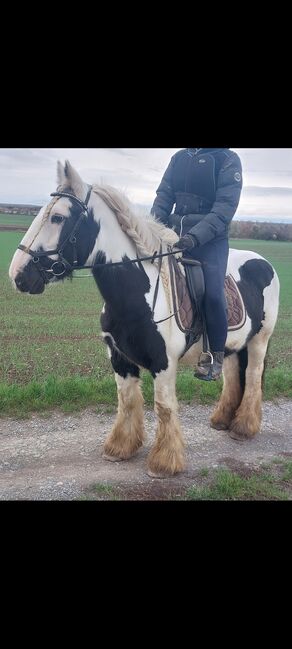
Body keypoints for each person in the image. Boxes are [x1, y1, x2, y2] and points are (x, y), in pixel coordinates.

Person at [151, 148, 243, 381]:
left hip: (210, 241)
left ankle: (214, 356)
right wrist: (151, 229)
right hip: (173, 236)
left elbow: (224, 209)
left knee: (212, 294)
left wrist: (195, 236)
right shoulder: (179, 158)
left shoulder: (228, 159)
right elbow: (163, 197)